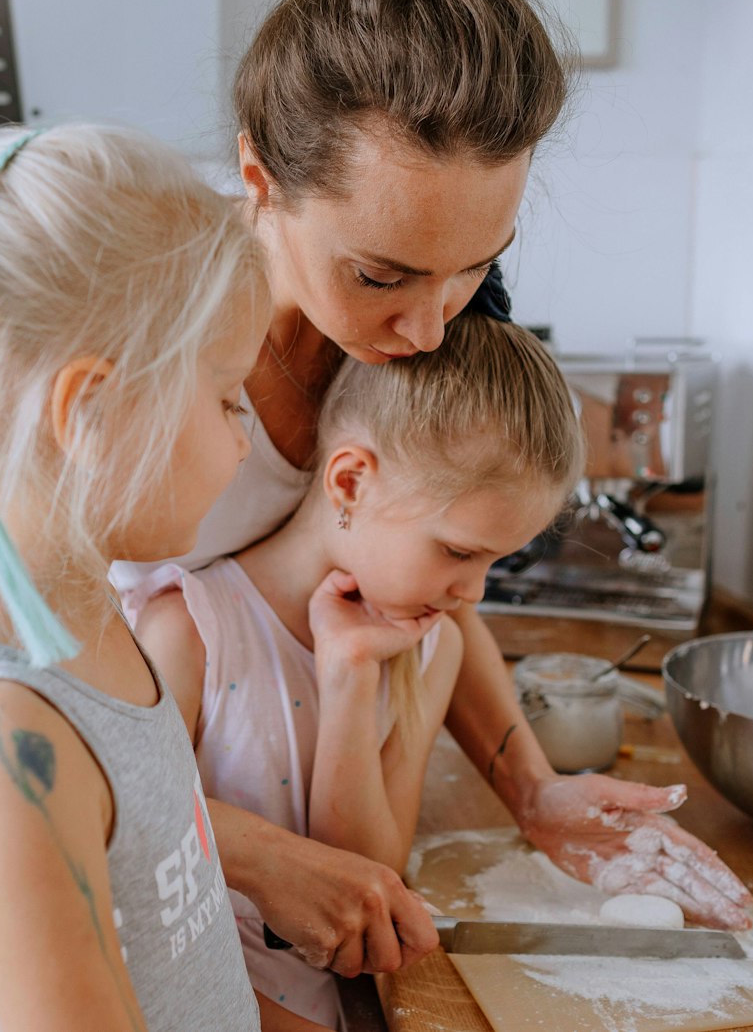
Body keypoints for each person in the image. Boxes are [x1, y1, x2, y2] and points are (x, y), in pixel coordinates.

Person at [116, 0, 753, 953]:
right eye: (381, 275)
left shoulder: (436, 310)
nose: (427, 328)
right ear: (258, 179)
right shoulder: (138, 343)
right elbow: (30, 717)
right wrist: (253, 855)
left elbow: (431, 586)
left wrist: (532, 789)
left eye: (475, 264)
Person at [0, 124, 319, 1031]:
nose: (245, 439)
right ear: (89, 411)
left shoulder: (89, 616)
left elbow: (185, 974)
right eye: (224, 399)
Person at [137, 314, 585, 1027]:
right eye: (459, 552)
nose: (473, 594)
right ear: (350, 481)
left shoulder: (431, 649)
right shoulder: (190, 633)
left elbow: (366, 880)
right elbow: (142, 862)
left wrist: (348, 677)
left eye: (494, 563)